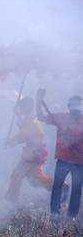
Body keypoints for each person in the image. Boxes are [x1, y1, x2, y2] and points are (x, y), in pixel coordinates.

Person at [37, 89, 83, 219]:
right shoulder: (61, 117)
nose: (75, 112)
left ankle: (71, 216)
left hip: (80, 162)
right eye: (74, 109)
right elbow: (40, 117)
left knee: (76, 190)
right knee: (57, 187)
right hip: (63, 160)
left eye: (77, 110)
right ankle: (54, 214)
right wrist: (38, 101)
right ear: (69, 107)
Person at [5, 97, 60, 202]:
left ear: (25, 108)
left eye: (21, 107)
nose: (20, 109)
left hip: (31, 154)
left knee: (16, 177)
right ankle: (59, 185)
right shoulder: (31, 119)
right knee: (35, 179)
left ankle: (10, 201)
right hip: (36, 153)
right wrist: (17, 114)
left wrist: (11, 141)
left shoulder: (30, 121)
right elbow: (23, 126)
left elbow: (23, 134)